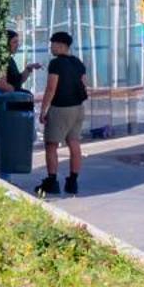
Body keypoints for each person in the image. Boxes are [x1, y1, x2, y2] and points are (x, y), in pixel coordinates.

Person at [35, 30, 90, 196]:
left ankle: (51, 181)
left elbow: (51, 88)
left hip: (60, 108)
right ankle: (72, 181)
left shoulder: (56, 63)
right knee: (74, 143)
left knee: (51, 145)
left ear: (60, 45)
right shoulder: (77, 62)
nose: (51, 47)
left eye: (52, 44)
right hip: (78, 108)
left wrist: (43, 110)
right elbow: (84, 84)